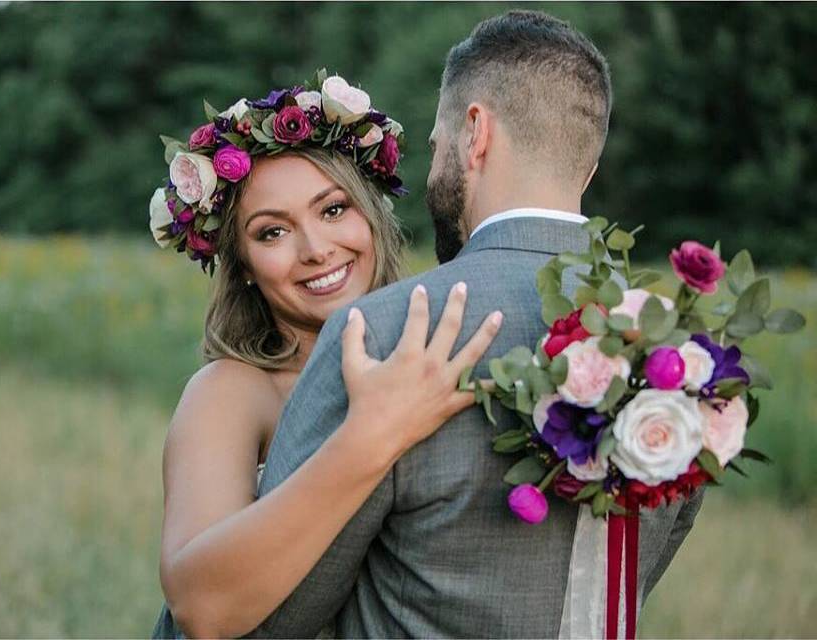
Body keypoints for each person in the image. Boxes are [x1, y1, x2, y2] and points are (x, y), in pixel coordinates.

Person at [247, 10, 703, 638]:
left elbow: (272, 615)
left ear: (474, 134)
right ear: (587, 167)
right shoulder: (681, 362)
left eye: (436, 147)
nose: (433, 170)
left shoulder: (383, 333)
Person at [148, 79, 505, 638]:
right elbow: (200, 606)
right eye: (272, 232)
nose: (315, 249)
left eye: (333, 209)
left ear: (372, 216)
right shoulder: (231, 392)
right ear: (241, 264)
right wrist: (371, 436)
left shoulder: (435, 353)